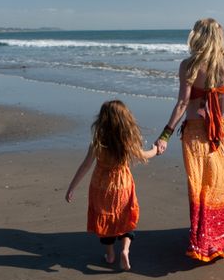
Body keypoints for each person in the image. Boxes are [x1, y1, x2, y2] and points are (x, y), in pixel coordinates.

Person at [155, 18, 224, 262]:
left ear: (196, 36)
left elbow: (183, 103)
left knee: (201, 186)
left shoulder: (188, 65)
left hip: (196, 131)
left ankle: (206, 238)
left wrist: (165, 134)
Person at [65, 100, 157, 270]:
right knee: (125, 218)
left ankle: (110, 254)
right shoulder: (126, 143)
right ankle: (125, 250)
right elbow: (144, 155)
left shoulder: (98, 142)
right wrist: (156, 149)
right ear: (125, 120)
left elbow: (85, 165)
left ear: (102, 120)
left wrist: (72, 186)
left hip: (101, 187)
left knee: (106, 220)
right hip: (122, 186)